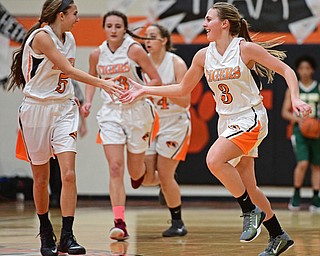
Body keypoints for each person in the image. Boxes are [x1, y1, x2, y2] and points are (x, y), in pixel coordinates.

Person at [120, 2, 312, 256]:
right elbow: (182, 89)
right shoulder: (203, 55)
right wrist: (145, 89)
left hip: (250, 118)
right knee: (250, 187)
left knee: (214, 160)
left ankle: (248, 210)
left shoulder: (245, 49)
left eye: (208, 19)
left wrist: (297, 98)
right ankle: (278, 235)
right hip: (227, 121)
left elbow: (286, 70)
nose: (204, 24)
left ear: (225, 24)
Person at [7, 1, 120, 255]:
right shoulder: (41, 37)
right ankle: (46, 231)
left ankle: (68, 235)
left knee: (68, 174)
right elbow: (68, 69)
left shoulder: (69, 38)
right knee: (41, 178)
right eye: (75, 14)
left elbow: (67, 75)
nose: (78, 19)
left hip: (64, 108)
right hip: (36, 110)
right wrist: (103, 83)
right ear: (61, 14)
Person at [81, 11, 161, 241]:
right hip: (111, 114)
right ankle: (119, 222)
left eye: (118, 25)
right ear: (104, 28)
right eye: (109, 25)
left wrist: (140, 92)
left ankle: (155, 177)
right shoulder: (97, 54)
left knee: (136, 174)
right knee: (115, 168)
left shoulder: (134, 49)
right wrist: (87, 101)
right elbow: (91, 79)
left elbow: (156, 80)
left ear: (125, 28)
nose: (114, 29)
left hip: (137, 112)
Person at [142, 24, 191, 237]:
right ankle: (166, 182)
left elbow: (185, 100)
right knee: (144, 178)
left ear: (164, 40)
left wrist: (160, 88)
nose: (148, 41)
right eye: (146, 38)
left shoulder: (176, 63)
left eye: (153, 37)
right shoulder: (141, 64)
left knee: (164, 173)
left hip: (175, 122)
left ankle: (177, 222)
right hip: (150, 123)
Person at [282, 55, 320, 212]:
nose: (304, 71)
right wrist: (298, 120)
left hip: (316, 129)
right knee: (303, 163)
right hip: (299, 130)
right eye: (302, 68)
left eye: (307, 68)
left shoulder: (318, 87)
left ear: (312, 70)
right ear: (297, 70)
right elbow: (284, 112)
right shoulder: (293, 88)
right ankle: (296, 194)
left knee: (317, 165)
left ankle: (316, 197)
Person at [49, 80, 88, 208]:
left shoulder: (70, 78)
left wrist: (84, 124)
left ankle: (61, 194)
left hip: (65, 122)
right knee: (49, 162)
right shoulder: (43, 75)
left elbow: (80, 101)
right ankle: (54, 193)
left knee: (66, 166)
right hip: (45, 121)